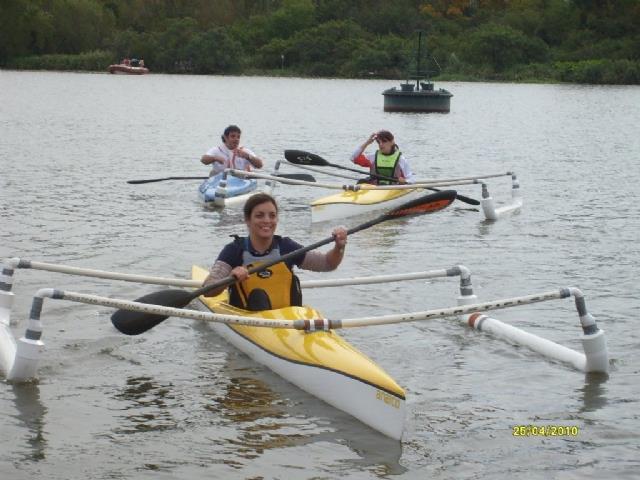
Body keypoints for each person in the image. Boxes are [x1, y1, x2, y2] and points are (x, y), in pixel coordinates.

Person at [203, 193, 347, 310]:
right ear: (247, 220)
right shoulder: (234, 250)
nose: (267, 220)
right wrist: (230, 276)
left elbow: (328, 264)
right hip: (249, 321)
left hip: (288, 322)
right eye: (259, 215)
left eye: (272, 215)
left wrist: (339, 247)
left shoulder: (287, 247)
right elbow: (208, 290)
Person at [350, 130, 415, 184]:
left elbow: (411, 179)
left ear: (392, 142)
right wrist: (367, 142)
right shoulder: (373, 157)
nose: (380, 144)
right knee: (361, 182)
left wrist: (405, 181)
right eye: (378, 142)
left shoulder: (401, 160)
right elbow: (353, 158)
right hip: (375, 190)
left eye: (384, 141)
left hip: (394, 190)